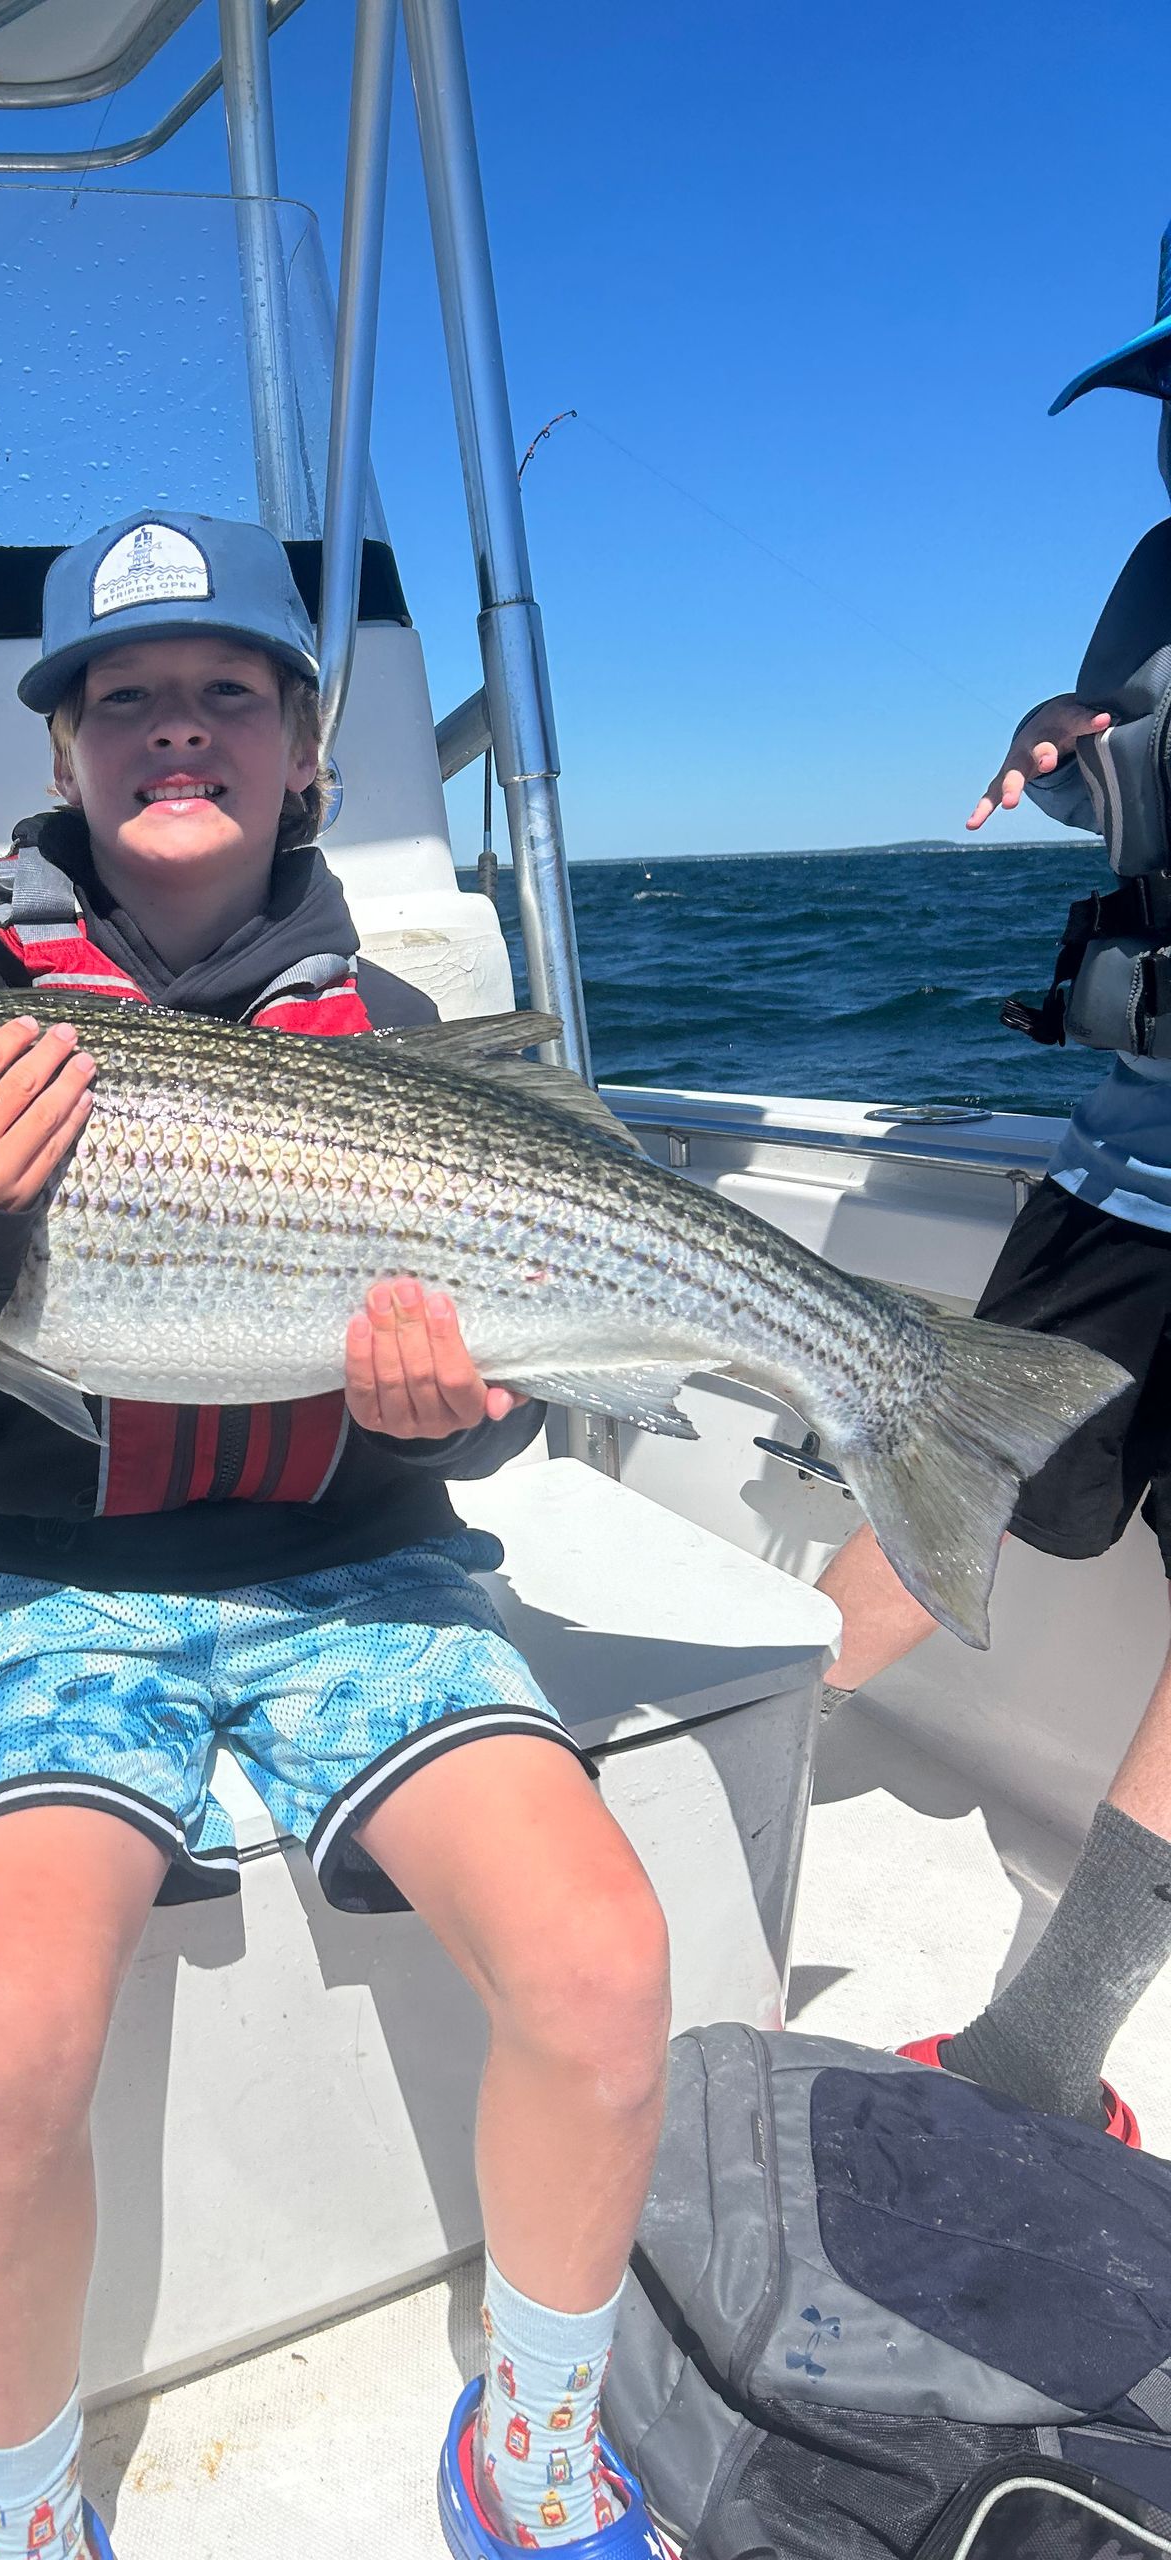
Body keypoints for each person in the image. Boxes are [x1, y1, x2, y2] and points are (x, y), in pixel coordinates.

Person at [0, 512, 671, 2559]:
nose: (173, 730)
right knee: (5, 2039)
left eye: (224, 693)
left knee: (604, 1959)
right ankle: (22, 2511)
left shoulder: (383, 1022)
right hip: (48, 1584)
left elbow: (489, 1409)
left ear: (303, 751)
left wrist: (478, 1402)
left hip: (359, 1566)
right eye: (124, 698)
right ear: (65, 756)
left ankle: (532, 2433)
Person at [820, 222, 1171, 2148]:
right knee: (941, 1463)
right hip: (1127, 1159)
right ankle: (716, 1796)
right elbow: (1109, 783)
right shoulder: (1151, 573)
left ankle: (1052, 2039)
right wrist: (1057, 742)